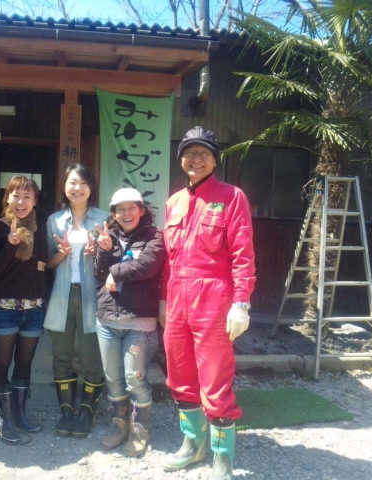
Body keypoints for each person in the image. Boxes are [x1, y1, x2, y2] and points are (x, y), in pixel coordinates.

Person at [159, 127, 256, 480]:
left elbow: (243, 254)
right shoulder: (173, 202)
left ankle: (222, 456)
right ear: (181, 160)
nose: (196, 159)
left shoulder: (232, 197)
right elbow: (169, 260)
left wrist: (241, 303)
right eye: (189, 153)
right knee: (179, 376)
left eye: (203, 153)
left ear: (215, 160)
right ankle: (193, 443)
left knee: (215, 380)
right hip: (177, 300)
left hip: (214, 298)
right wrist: (163, 299)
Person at [93, 187, 165, 457]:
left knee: (135, 380)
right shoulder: (108, 236)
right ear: (113, 214)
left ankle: (139, 430)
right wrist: (104, 252)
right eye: (120, 209)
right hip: (107, 321)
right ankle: (120, 425)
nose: (126, 213)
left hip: (139, 321)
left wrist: (115, 272)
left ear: (142, 210)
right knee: (113, 379)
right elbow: (99, 273)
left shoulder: (155, 236)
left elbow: (148, 266)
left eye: (131, 208)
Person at [44, 164, 110, 438]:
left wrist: (98, 254)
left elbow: (113, 261)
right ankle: (67, 411)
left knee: (91, 356)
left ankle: (86, 412)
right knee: (61, 355)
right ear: (64, 187)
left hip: (92, 296)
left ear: (91, 187)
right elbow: (48, 262)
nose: (77, 188)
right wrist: (62, 253)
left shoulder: (104, 219)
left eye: (83, 182)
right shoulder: (55, 220)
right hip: (62, 296)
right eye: (72, 182)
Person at [0, 176, 47, 445]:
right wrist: (10, 245)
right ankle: (5, 419)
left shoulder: (39, 228)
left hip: (34, 310)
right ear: (7, 198)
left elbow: (43, 267)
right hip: (5, 309)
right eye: (16, 195)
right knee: (2, 363)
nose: (21, 202)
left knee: (24, 364)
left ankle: (20, 414)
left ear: (35, 201)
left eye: (27, 196)